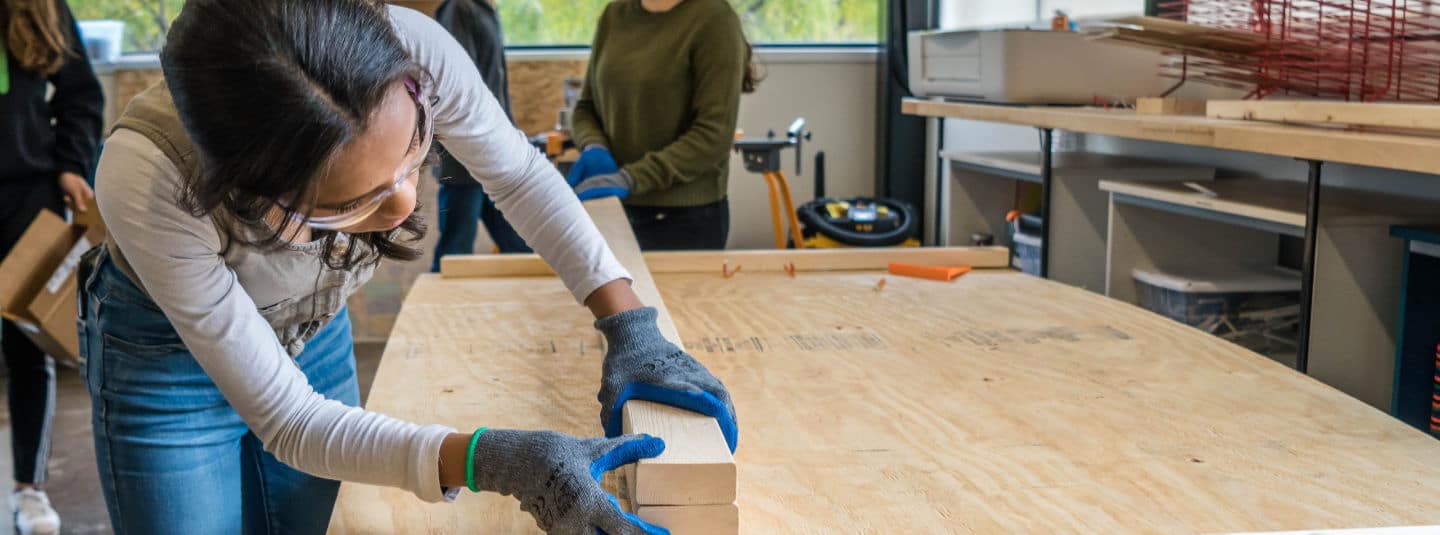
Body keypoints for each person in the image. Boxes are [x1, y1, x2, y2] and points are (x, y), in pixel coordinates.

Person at [81, 1, 735, 533]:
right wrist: (497, 459)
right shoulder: (149, 177)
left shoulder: (411, 47)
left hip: (309, 327)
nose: (402, 203)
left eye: (413, 151)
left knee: (311, 521)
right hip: (163, 359)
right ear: (253, 189)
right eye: (354, 199)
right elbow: (289, 419)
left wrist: (631, 324)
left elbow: (518, 175)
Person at [0, 0, 102, 533]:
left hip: (28, 197)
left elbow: (82, 94)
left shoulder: (39, 7)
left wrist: (70, 165)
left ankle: (29, 490)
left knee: (26, 348)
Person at [567, 0, 759, 251]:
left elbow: (713, 136)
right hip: (613, 211)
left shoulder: (715, 20)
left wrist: (631, 179)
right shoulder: (614, 15)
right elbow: (585, 108)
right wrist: (594, 147)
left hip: (684, 220)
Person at [431, 0, 531, 272]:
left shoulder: (486, 9)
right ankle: (438, 311)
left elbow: (495, 85)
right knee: (455, 250)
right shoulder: (461, 8)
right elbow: (459, 87)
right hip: (467, 157)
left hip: (493, 154)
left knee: (517, 245)